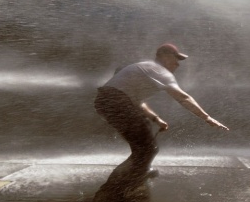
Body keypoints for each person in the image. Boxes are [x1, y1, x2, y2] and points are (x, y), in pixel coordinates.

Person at [94, 43, 229, 178]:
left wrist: (156, 119)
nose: (177, 64)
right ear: (164, 56)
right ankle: (114, 189)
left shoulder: (146, 67)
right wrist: (207, 118)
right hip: (117, 101)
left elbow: (138, 102)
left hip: (104, 101)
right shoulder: (159, 70)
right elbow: (183, 98)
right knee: (148, 149)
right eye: (175, 58)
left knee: (143, 143)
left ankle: (135, 175)